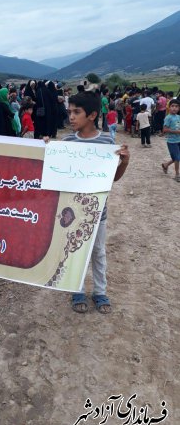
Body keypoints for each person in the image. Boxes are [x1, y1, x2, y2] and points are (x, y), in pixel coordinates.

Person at [57, 91, 130, 314]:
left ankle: (100, 292)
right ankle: (76, 289)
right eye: (69, 112)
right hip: (71, 212)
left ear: (92, 115)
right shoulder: (67, 142)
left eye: (76, 112)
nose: (71, 116)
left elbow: (112, 179)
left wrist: (124, 162)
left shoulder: (107, 141)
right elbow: (56, 173)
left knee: (98, 251)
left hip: (99, 212)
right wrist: (48, 150)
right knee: (74, 250)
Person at [161, 100, 180, 182]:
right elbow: (164, 129)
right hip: (172, 141)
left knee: (177, 157)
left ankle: (165, 165)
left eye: (176, 106)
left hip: (179, 140)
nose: (174, 108)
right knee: (177, 158)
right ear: (169, 107)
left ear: (179, 108)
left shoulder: (178, 117)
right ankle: (177, 175)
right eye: (172, 106)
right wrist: (176, 131)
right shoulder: (168, 117)